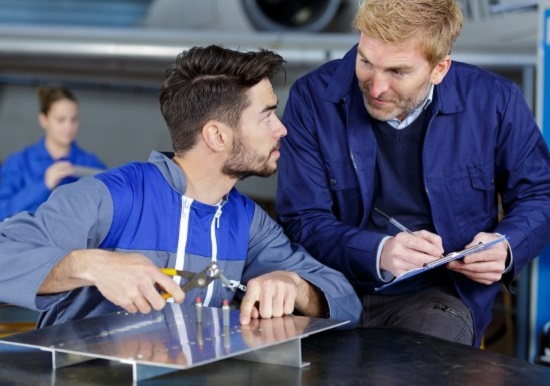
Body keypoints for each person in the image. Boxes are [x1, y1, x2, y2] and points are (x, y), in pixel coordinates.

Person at [0, 45, 362, 330]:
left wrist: (295, 286)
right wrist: (89, 264)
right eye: (267, 115)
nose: (282, 129)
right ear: (217, 135)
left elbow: (348, 303)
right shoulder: (110, 197)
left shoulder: (247, 222)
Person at [275, 0, 550, 347]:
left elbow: (540, 194)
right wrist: (378, 252)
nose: (375, 88)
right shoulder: (312, 98)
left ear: (439, 68)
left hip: (437, 298)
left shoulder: (495, 102)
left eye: (397, 72)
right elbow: (301, 218)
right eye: (365, 62)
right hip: (328, 288)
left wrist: (507, 245)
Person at [0, 86, 106, 221]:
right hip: (28, 241)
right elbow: (2, 210)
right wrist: (44, 185)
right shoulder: (19, 163)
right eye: (61, 120)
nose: (69, 127)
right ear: (43, 119)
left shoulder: (91, 165)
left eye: (74, 119)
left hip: (75, 242)